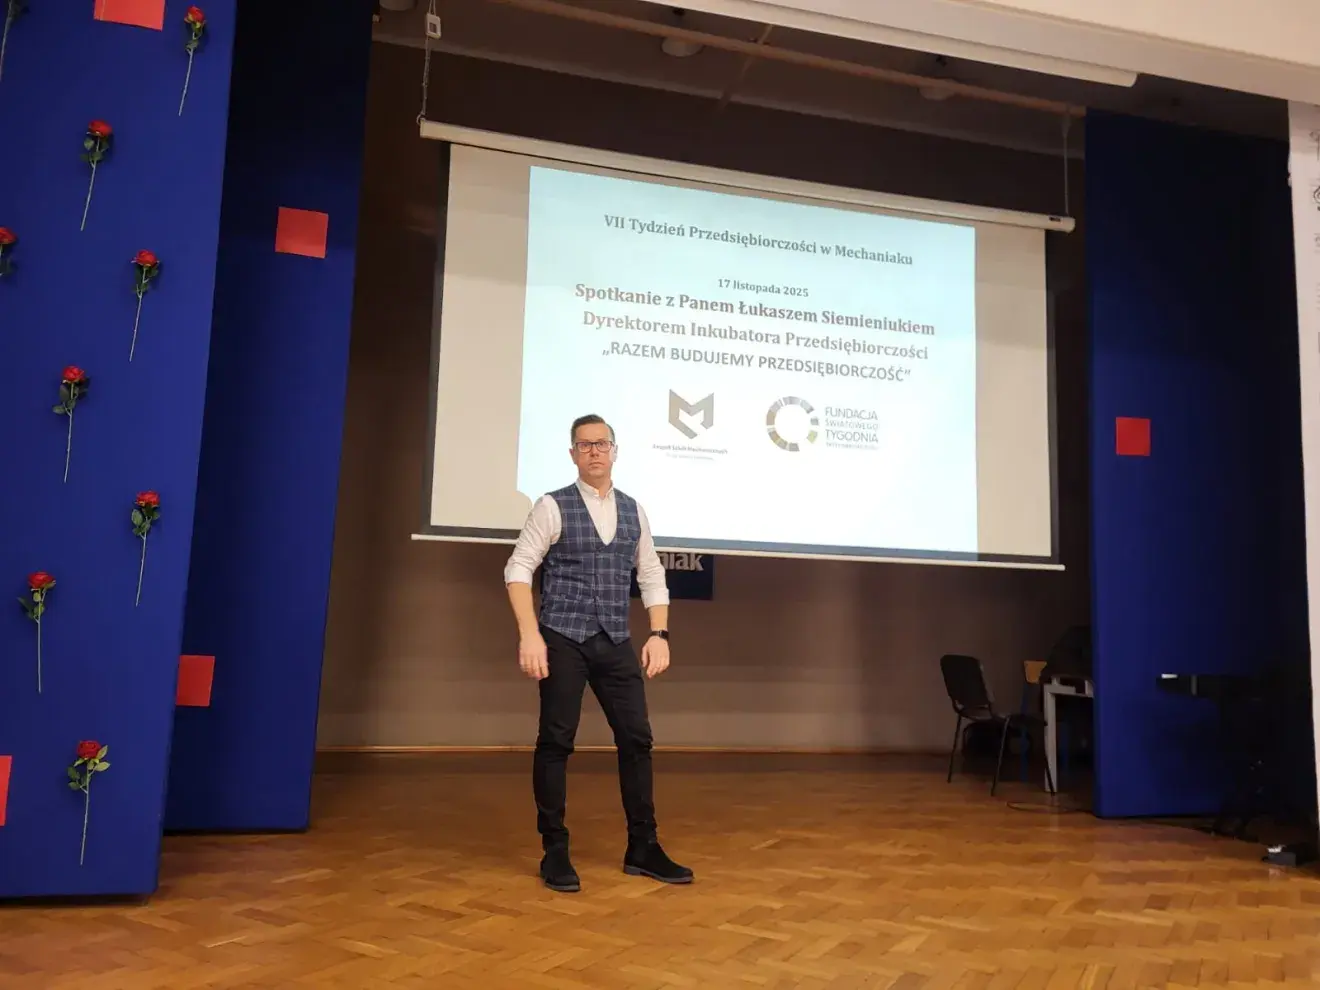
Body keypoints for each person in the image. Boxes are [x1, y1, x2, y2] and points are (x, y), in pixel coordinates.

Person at [504, 413, 693, 893]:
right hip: (562, 637)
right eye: (585, 444)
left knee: (637, 739)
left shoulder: (633, 510)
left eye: (601, 443)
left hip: (615, 641)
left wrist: (659, 634)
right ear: (573, 454)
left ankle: (643, 847)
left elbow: (651, 574)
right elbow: (519, 569)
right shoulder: (552, 506)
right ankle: (555, 850)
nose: (594, 451)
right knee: (556, 741)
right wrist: (530, 634)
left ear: (614, 451)